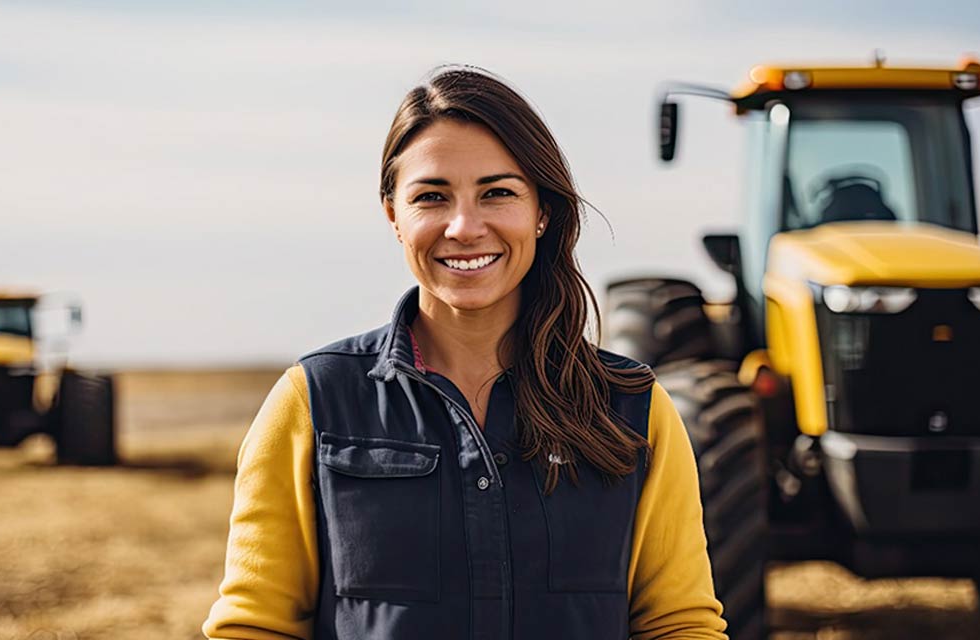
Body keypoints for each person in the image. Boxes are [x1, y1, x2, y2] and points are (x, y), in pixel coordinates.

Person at [202, 65, 728, 639]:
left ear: (542, 211)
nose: (464, 226)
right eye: (432, 196)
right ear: (393, 217)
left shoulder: (633, 409)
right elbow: (255, 626)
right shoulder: (314, 403)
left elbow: (679, 624)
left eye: (497, 193)